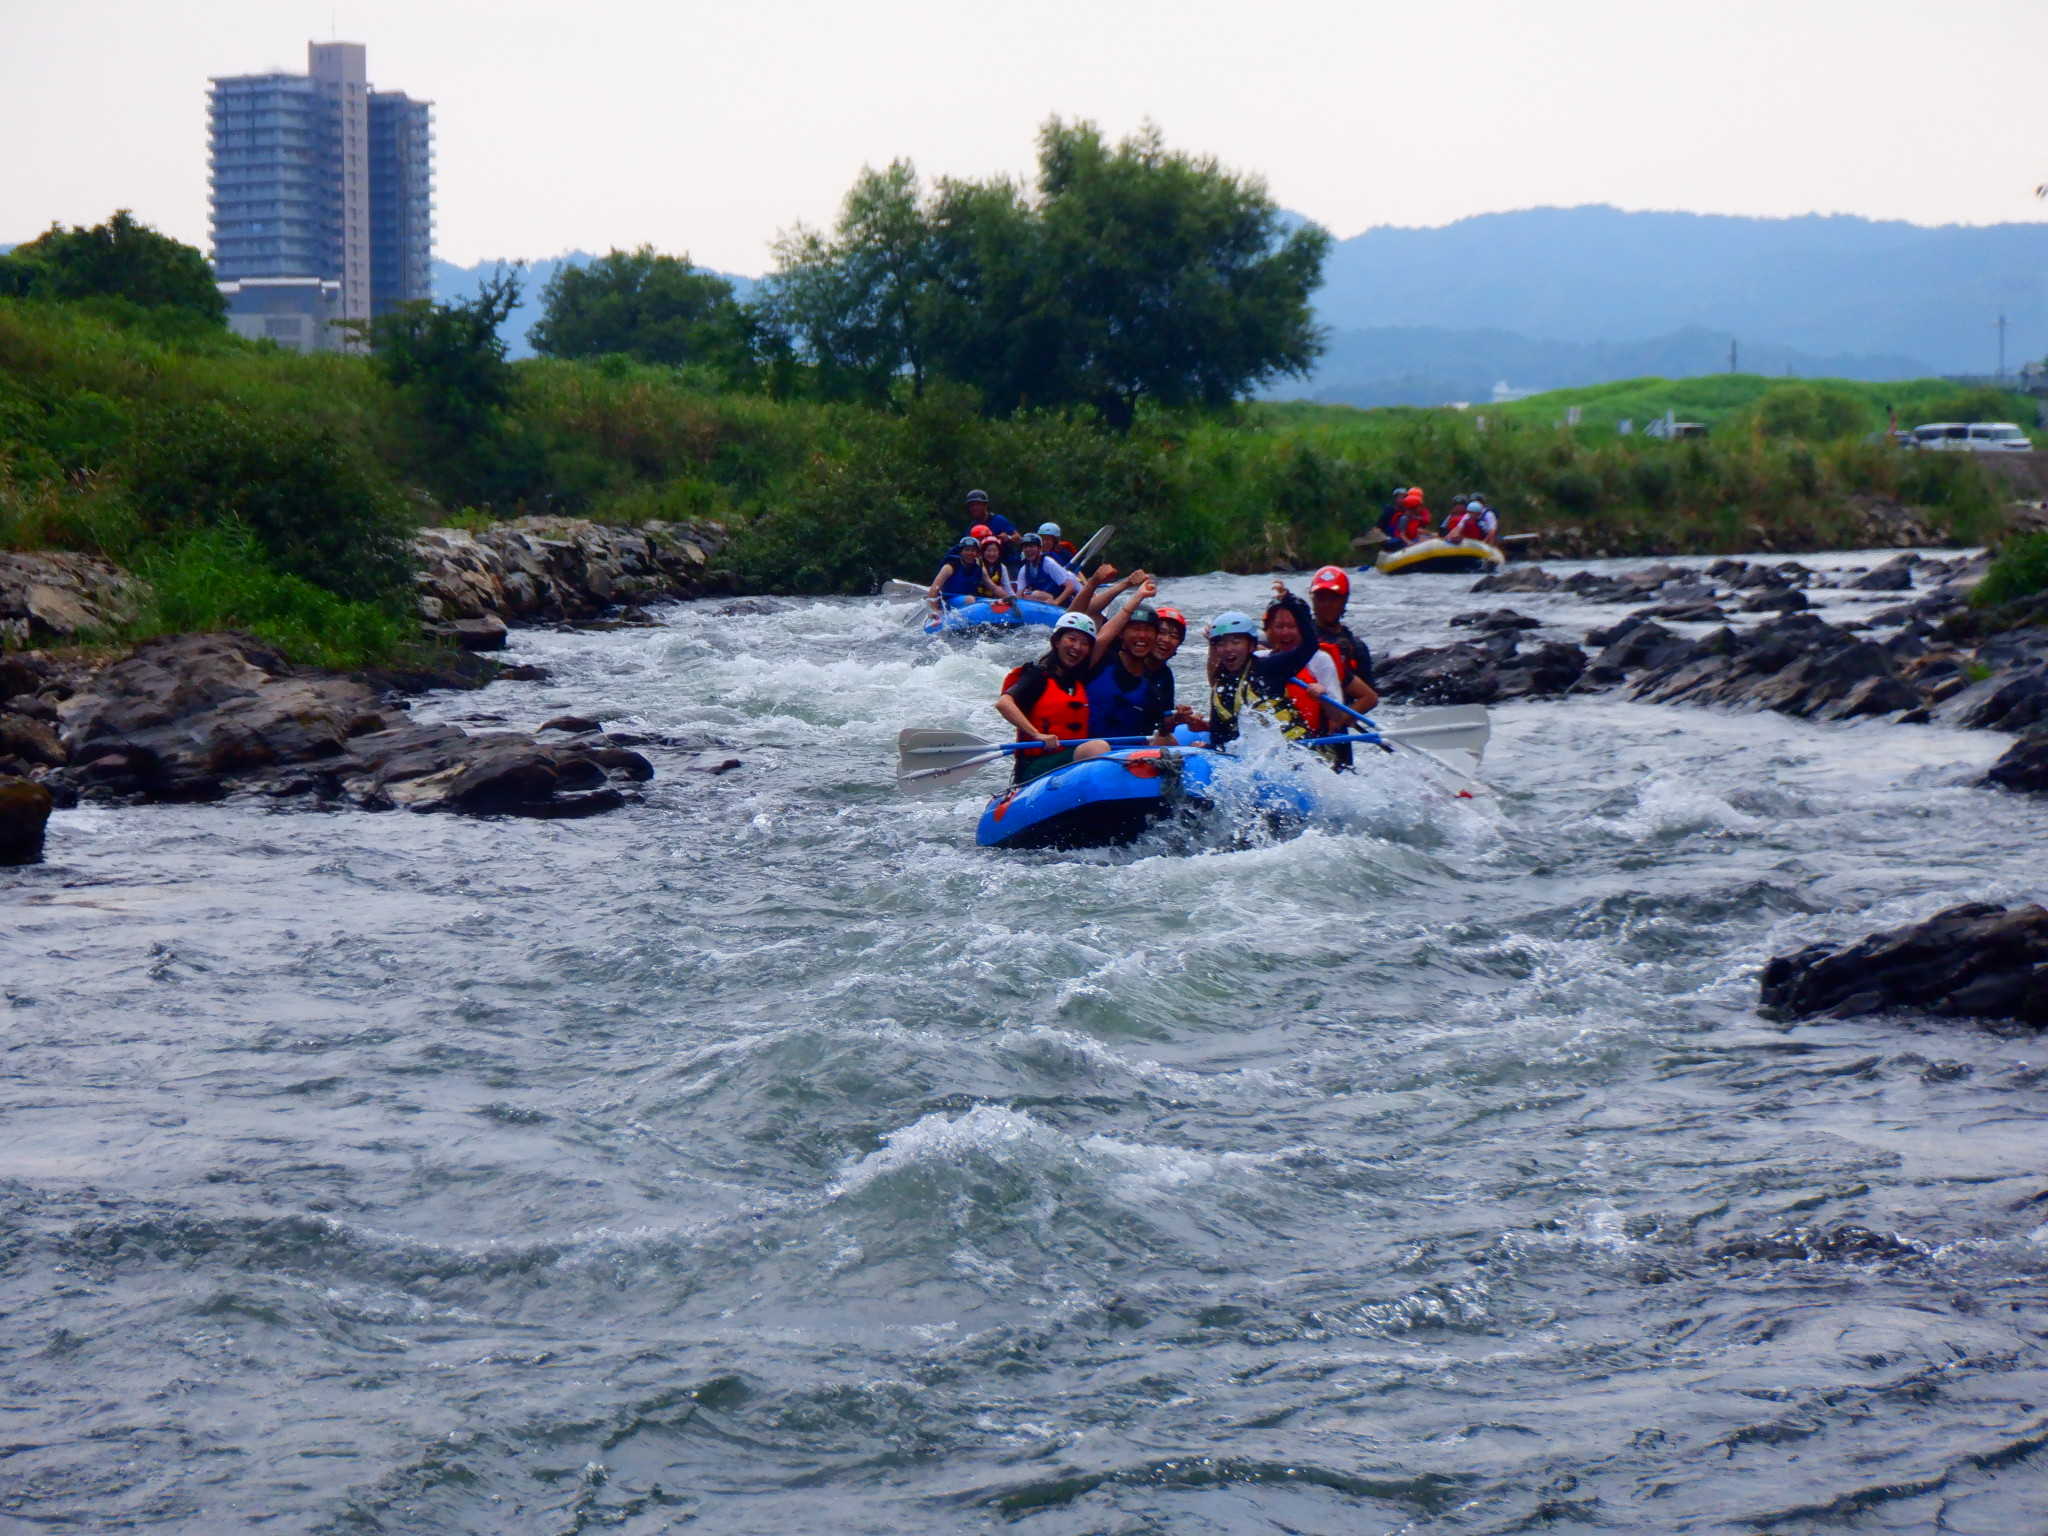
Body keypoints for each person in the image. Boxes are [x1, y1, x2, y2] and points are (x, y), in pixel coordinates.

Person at [994, 597, 1148, 784]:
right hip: (1036, 767)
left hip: (1068, 762)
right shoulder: (1037, 677)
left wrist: (1138, 595)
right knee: (1097, 748)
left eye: (1085, 643)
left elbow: (1104, 638)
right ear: (1057, 642)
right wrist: (1036, 734)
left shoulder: (1079, 678)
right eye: (1071, 639)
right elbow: (1004, 703)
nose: (1077, 647)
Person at [1188, 588, 1327, 755]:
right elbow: (1220, 739)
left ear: (1252, 646)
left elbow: (1310, 646)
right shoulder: (1220, 687)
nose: (1228, 649)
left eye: (1236, 642)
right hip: (1258, 757)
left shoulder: (1269, 668)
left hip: (1296, 752)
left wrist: (1291, 603)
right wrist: (1207, 749)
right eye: (1222, 644)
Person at [1306, 566, 1381, 769]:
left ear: (1344, 600)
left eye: (1333, 598)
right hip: (1301, 719)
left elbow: (1369, 697)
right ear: (1313, 599)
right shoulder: (1298, 633)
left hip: (1336, 730)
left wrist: (1340, 720)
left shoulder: (1356, 647)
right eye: (1321, 597)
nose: (1327, 604)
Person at [1084, 601, 1179, 742]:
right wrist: (1138, 595)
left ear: (1155, 637)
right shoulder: (1098, 661)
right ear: (1121, 633)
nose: (1142, 635)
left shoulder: (1152, 692)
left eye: (1148, 630)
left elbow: (1158, 732)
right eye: (1135, 628)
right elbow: (1093, 617)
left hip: (1123, 753)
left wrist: (1177, 719)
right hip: (1081, 749)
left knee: (1166, 740)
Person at [1014, 533, 1082, 604]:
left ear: (1039, 548)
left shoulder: (1049, 563)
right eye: (1025, 547)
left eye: (1031, 546)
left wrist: (1056, 602)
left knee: (1036, 594)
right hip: (1045, 601)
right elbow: (1019, 593)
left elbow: (1070, 587)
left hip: (1062, 602)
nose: (1028, 549)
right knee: (1032, 595)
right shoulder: (1024, 569)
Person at [926, 534, 987, 611]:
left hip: (968, 602)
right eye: (967, 550)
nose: (970, 553)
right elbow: (934, 589)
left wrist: (1002, 598)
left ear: (977, 554)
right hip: (948, 601)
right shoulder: (949, 567)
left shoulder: (979, 569)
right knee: (970, 599)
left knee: (987, 602)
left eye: (973, 550)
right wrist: (935, 610)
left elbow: (993, 587)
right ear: (961, 552)